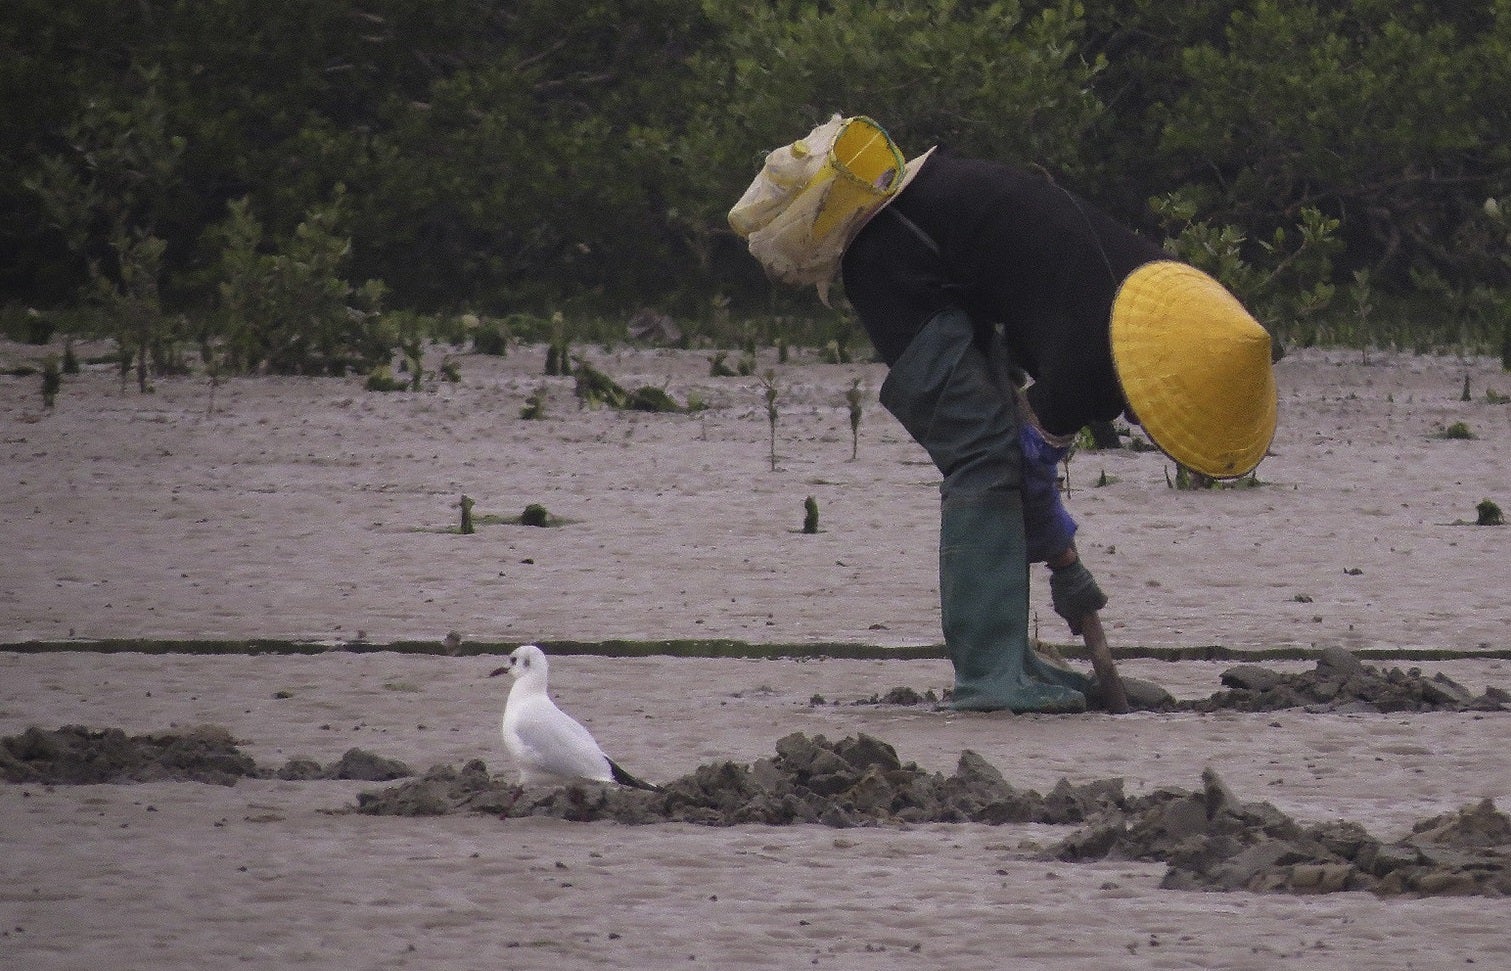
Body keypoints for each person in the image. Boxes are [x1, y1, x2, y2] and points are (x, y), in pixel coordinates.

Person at [729, 115, 1277, 713]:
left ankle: (1013, 658)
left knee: (997, 453)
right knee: (983, 457)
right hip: (893, 261)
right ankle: (990, 675)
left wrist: (1064, 560)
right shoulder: (1098, 361)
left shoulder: (1151, 286)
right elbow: (1029, 466)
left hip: (943, 238)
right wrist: (1070, 574)